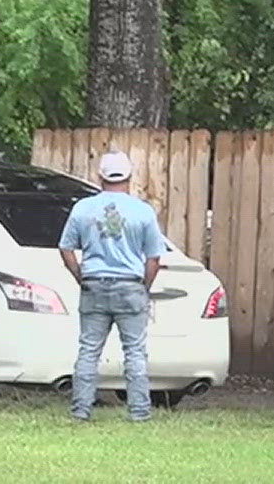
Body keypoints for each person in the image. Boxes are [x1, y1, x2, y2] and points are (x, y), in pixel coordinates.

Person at [59, 150, 166, 423]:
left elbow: (66, 248)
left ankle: (81, 411)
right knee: (134, 351)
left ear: (100, 177)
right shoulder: (143, 211)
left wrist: (79, 276)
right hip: (130, 287)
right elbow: (154, 257)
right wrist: (144, 286)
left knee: (89, 349)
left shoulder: (83, 208)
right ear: (129, 177)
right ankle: (139, 411)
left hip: (94, 285)